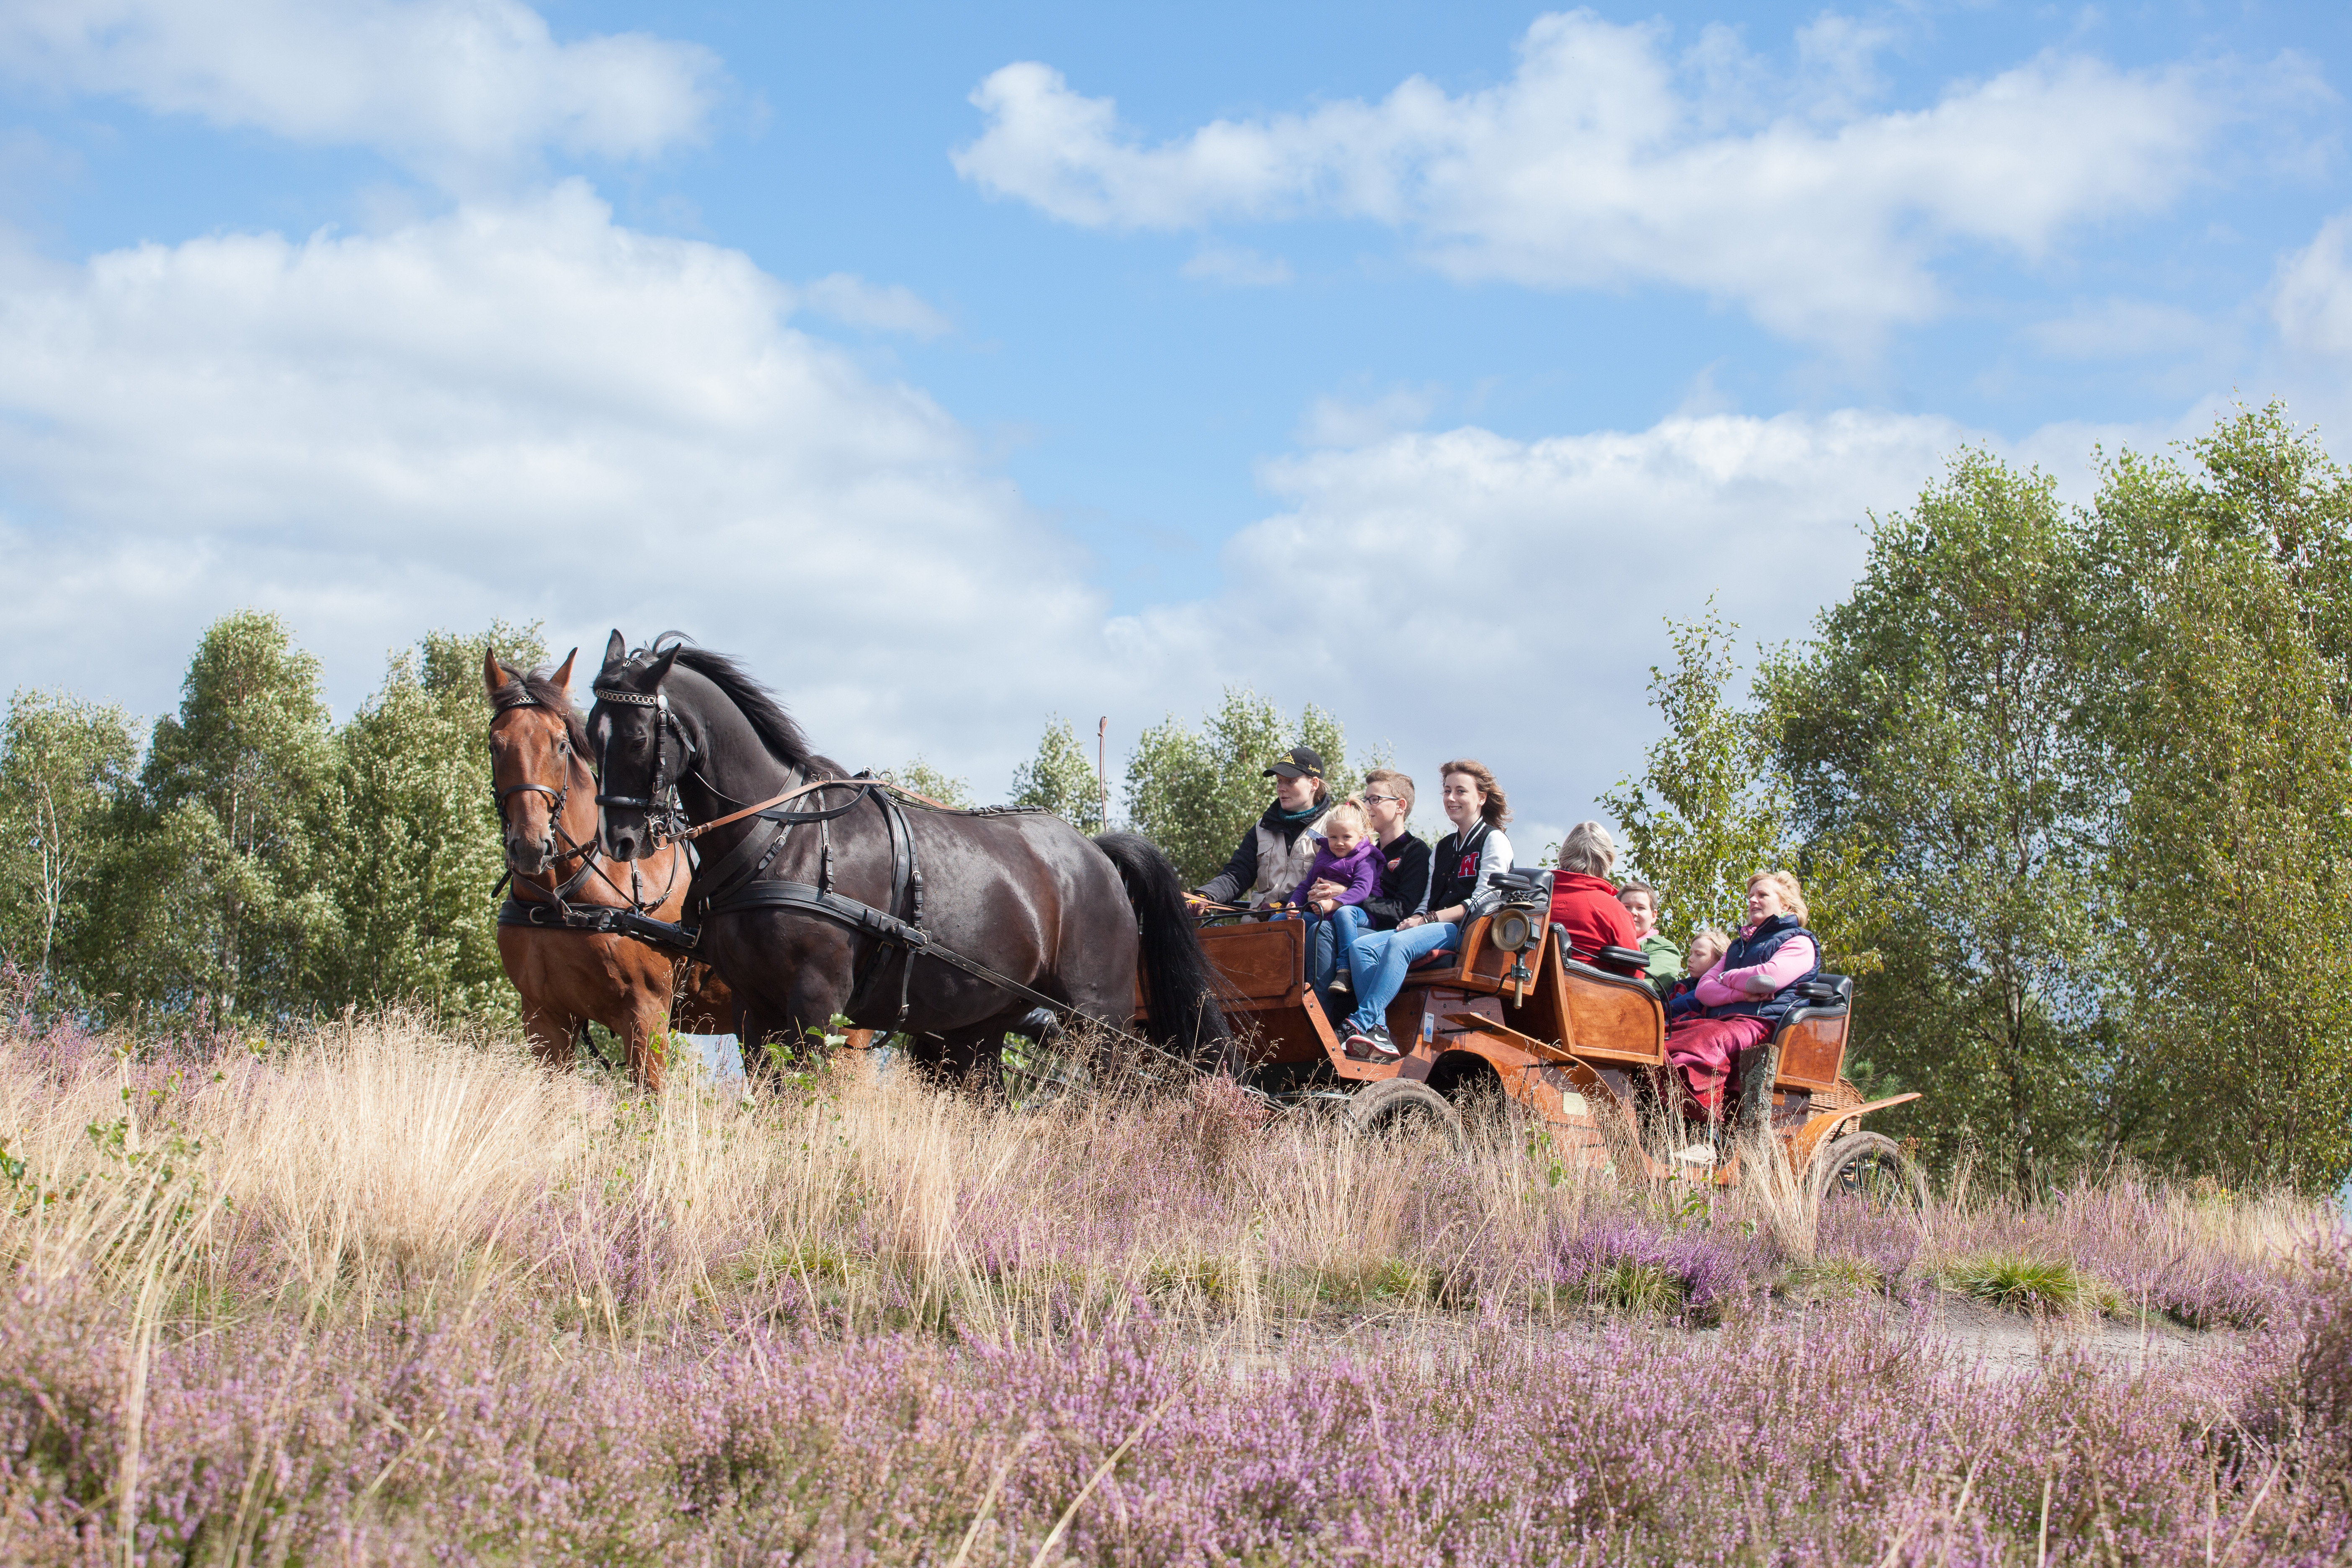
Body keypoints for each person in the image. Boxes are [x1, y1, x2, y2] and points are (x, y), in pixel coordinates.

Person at [1340, 760, 1513, 1058]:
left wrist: (1429, 919)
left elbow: (1484, 902)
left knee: (1399, 942)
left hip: (1467, 932)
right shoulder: (1443, 847)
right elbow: (1427, 900)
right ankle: (1379, 1031)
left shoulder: (1494, 839)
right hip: (1434, 927)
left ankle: (1361, 1020)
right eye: (1447, 791)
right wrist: (1416, 918)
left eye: (1461, 791)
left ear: (1481, 798)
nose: (1451, 798)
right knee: (1361, 947)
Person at [1663, 871, 1821, 1148]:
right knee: (1666, 1036)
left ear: (1785, 905)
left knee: (1705, 1041)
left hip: (1761, 1024)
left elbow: (1768, 979)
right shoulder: (1737, 945)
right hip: (1722, 1021)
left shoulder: (1799, 943)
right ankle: (1666, 1125)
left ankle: (1706, 1137)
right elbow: (1704, 991)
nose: (1753, 900)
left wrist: (1726, 979)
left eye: (1763, 895)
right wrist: (1743, 987)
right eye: (1751, 895)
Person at [1310, 769, 1430, 999]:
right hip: (1349, 920)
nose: (1366, 806)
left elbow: (1402, 911)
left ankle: (1323, 1014)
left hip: (1385, 931)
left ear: (1400, 806)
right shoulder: (1357, 849)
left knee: (1323, 929)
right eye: (1366, 800)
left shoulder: (1416, 852)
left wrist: (1347, 895)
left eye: (1375, 800)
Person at [1190, 746, 1333, 911]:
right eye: (1279, 781)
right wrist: (1206, 896)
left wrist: (1282, 906)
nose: (1281, 788)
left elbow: (1329, 880)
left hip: (1305, 925)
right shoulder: (1262, 827)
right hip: (1258, 925)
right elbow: (1238, 874)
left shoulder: (1334, 828)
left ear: (1314, 784)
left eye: (1290, 781)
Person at [1295, 798, 1382, 1009]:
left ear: (1361, 837)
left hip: (1359, 914)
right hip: (1325, 910)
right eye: (1333, 837)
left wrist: (1335, 903)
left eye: (1346, 837)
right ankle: (1284, 976)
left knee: (1344, 915)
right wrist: (1293, 905)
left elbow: (1362, 890)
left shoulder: (1365, 858)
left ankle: (1345, 970)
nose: (1339, 843)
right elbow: (1306, 885)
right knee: (1288, 921)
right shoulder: (1325, 856)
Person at [1547, 821, 1643, 972]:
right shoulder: (1612, 908)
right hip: (1590, 993)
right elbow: (1634, 970)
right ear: (1607, 859)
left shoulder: (1535, 897)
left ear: (1565, 852)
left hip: (1529, 992)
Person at [1618, 880, 1684, 993]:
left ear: (1654, 916)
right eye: (1627, 907)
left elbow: (1643, 988)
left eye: (1641, 908)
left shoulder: (1665, 950)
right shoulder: (1603, 939)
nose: (1633, 912)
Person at [1661, 928, 1730, 1022]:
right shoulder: (1679, 987)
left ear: (1720, 960)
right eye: (1691, 954)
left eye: (1699, 954)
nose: (1690, 959)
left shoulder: (1727, 989)